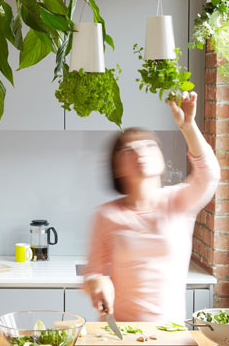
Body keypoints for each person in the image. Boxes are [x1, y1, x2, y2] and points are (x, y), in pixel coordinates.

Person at [82, 91, 221, 321]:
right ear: (117, 167)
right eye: (129, 150)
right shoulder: (107, 215)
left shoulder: (178, 201)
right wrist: (98, 283)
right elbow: (92, 272)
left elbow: (210, 174)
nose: (140, 152)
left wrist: (188, 125)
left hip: (170, 338)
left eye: (148, 145)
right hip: (119, 337)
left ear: (161, 158)